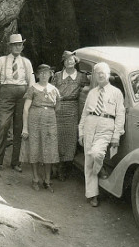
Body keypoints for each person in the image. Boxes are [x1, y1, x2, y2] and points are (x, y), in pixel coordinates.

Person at [78, 62, 125, 207]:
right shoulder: (92, 93)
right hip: (90, 124)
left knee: (97, 154)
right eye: (97, 73)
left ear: (108, 74)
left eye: (102, 72)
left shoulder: (116, 93)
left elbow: (120, 115)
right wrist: (80, 132)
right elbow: (85, 113)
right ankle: (93, 195)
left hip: (106, 125)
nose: (100, 75)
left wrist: (116, 135)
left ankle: (100, 169)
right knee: (88, 160)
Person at [0, 34, 34, 172]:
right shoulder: (2, 60)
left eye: (20, 45)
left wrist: (29, 99)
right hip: (6, 95)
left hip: (22, 96)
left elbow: (31, 82)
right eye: (15, 45)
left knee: (19, 128)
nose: (17, 47)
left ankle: (16, 162)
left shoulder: (26, 62)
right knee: (2, 125)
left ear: (22, 46)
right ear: (10, 46)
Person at [21, 64, 61, 192]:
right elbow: (26, 109)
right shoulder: (32, 89)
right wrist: (25, 128)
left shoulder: (54, 89)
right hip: (34, 122)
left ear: (51, 74)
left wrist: (48, 115)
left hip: (50, 123)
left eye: (47, 72)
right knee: (35, 148)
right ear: (37, 75)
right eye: (41, 73)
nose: (44, 75)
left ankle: (47, 181)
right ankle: (35, 179)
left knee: (49, 150)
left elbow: (58, 107)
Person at [51, 50, 89, 181]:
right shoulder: (57, 75)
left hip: (72, 109)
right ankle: (54, 166)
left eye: (71, 59)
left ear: (75, 61)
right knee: (56, 136)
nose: (69, 61)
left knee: (70, 138)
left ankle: (63, 167)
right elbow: (50, 91)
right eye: (66, 59)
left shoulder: (81, 77)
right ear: (63, 61)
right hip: (58, 108)